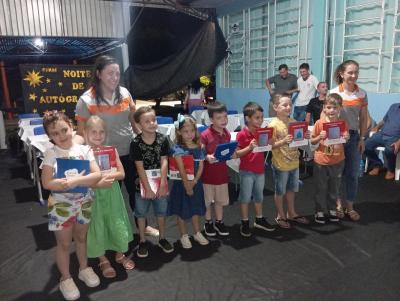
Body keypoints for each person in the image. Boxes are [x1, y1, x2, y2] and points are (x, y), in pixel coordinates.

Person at [75, 55, 158, 237]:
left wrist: (145, 142)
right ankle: (109, 232)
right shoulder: (86, 100)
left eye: (117, 73)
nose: (114, 77)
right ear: (98, 74)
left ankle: (143, 226)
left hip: (130, 153)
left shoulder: (125, 94)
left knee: (137, 193)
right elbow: (81, 133)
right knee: (108, 199)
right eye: (109, 73)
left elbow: (134, 121)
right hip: (103, 159)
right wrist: (74, 152)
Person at [41, 111, 101, 301]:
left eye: (64, 130)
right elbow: (46, 183)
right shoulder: (51, 153)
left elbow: (96, 175)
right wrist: (64, 184)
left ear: (71, 126)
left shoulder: (85, 150)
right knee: (64, 243)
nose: (61, 136)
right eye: (55, 134)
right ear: (50, 137)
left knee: (81, 238)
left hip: (84, 202)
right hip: (61, 206)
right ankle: (65, 277)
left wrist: (77, 181)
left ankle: (84, 268)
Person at [84, 116, 134, 279]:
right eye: (94, 132)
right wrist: (97, 180)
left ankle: (119, 253)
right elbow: (82, 178)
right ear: (85, 133)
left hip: (112, 194)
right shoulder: (83, 153)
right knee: (97, 222)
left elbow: (122, 173)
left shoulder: (111, 150)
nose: (98, 135)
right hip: (93, 195)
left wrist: (108, 174)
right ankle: (102, 258)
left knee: (115, 220)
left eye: (101, 132)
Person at [130, 106, 174, 258]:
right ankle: (142, 240)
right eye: (147, 121)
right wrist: (147, 187)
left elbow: (164, 162)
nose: (151, 123)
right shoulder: (135, 143)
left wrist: (162, 183)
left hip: (160, 182)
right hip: (141, 185)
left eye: (153, 120)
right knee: (141, 213)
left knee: (161, 212)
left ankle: (162, 238)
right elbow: (139, 167)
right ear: (139, 125)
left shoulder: (163, 139)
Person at [330, 60, 369, 221]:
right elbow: (327, 116)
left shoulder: (362, 93)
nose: (354, 76)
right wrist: (332, 140)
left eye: (356, 72)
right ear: (342, 73)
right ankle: (338, 205)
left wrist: (362, 138)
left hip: (353, 138)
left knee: (352, 174)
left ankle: (350, 206)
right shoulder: (334, 93)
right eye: (350, 72)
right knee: (337, 174)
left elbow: (363, 117)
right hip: (337, 137)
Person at [269, 93, 310, 229]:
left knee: (292, 189)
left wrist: (305, 136)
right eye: (284, 105)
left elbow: (299, 140)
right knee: (280, 191)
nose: (288, 107)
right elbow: (269, 145)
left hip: (294, 162)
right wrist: (282, 141)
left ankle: (291, 213)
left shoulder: (293, 121)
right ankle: (280, 215)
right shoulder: (273, 125)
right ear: (275, 107)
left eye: (290, 105)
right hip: (280, 165)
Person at [168, 114, 209, 248]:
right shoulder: (177, 149)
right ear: (179, 132)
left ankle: (197, 233)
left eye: (192, 130)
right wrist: (187, 186)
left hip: (196, 184)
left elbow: (201, 166)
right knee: (182, 211)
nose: (189, 134)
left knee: (195, 209)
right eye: (185, 131)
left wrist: (195, 182)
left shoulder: (199, 147)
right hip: (182, 185)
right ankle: (184, 235)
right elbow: (181, 170)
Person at [235, 102, 275, 237]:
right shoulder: (241, 134)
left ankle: (259, 219)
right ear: (248, 118)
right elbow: (237, 154)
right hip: (246, 171)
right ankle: (245, 222)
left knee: (259, 196)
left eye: (262, 117)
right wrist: (249, 148)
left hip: (260, 170)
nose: (261, 120)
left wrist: (271, 141)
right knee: (245, 198)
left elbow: (271, 144)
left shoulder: (262, 132)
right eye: (257, 117)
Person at [310, 94, 350, 224]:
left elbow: (344, 139)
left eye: (335, 107)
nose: (332, 110)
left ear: (340, 108)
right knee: (321, 187)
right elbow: (312, 141)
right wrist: (319, 137)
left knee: (335, 187)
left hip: (338, 160)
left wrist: (346, 137)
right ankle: (319, 211)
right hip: (321, 161)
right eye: (329, 107)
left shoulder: (343, 124)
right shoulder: (319, 123)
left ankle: (332, 209)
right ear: (324, 108)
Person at [201, 102, 231, 237]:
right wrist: (206, 156)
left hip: (222, 175)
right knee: (207, 201)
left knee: (220, 201)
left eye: (225, 117)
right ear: (211, 120)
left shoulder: (227, 134)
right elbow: (199, 152)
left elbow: (227, 152)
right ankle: (208, 222)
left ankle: (219, 222)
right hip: (207, 176)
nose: (224, 120)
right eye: (219, 118)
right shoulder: (205, 134)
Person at [365, 103, 400, 180]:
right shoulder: (393, 106)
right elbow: (384, 121)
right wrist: (376, 127)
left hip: (395, 137)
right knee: (365, 145)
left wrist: (399, 142)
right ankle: (377, 164)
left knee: (390, 150)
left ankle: (391, 171)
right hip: (382, 134)